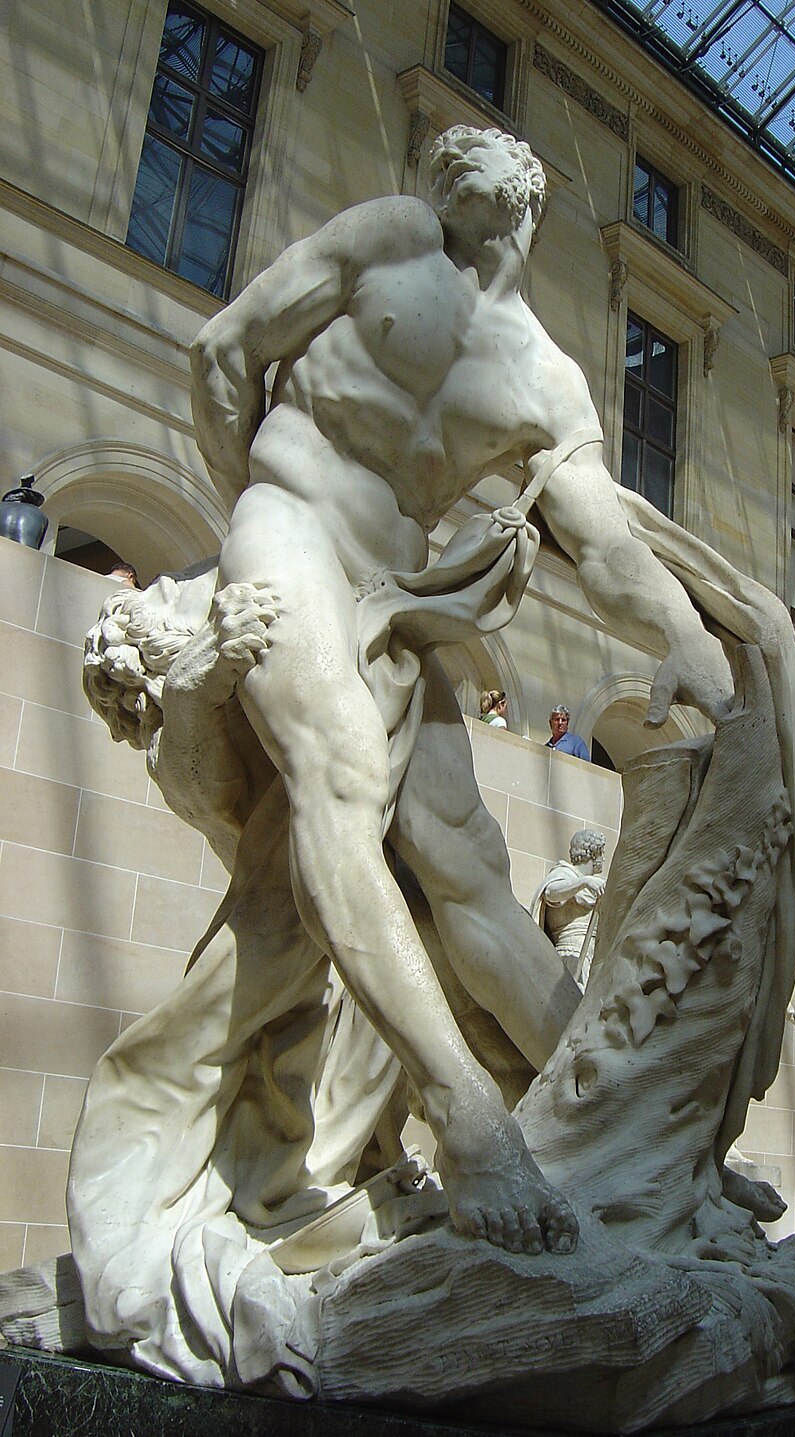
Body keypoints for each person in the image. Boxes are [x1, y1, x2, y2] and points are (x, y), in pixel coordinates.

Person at [189, 123, 734, 1257]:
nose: (451, 158)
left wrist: (685, 632)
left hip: (395, 594)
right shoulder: (390, 237)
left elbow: (602, 544)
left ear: (530, 195)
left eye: (479, 148)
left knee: (470, 865)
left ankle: (632, 1116)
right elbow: (224, 350)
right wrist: (247, 518)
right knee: (343, 773)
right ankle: (469, 1119)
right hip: (290, 525)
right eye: (444, 152)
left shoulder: (546, 379)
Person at [530, 829, 606, 986]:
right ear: (593, 854)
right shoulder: (565, 873)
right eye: (601, 853)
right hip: (571, 955)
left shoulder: (596, 886)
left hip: (590, 958)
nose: (603, 859)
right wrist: (584, 882)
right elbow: (551, 892)